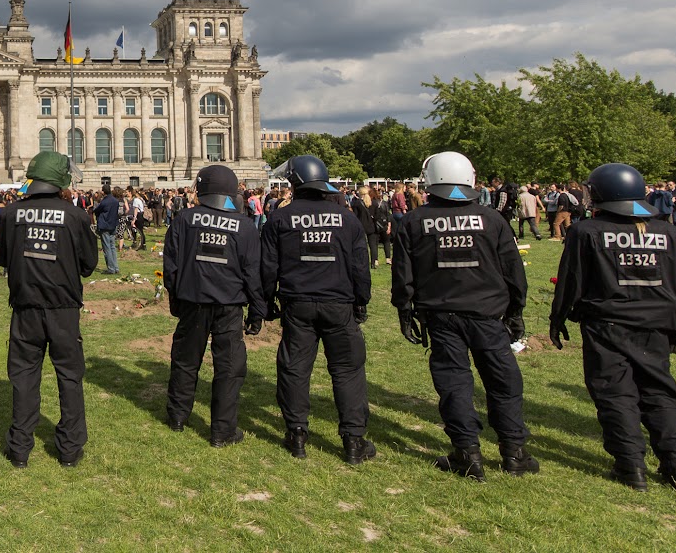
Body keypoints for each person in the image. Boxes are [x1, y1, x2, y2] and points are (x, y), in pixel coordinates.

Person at [550, 163, 676, 494]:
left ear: (601, 193)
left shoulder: (587, 231)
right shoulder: (669, 232)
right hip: (657, 324)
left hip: (607, 324)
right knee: (660, 395)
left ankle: (631, 467)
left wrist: (557, 319)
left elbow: (571, 280)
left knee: (616, 394)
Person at [392, 151, 537, 482]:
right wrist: (515, 312)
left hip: (441, 315)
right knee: (503, 382)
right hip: (488, 315)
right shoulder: (492, 219)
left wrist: (405, 309)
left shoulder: (415, 222)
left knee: (455, 383)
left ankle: (468, 453)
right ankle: (513, 450)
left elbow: (404, 274)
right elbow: (514, 272)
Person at [260, 155, 374, 464]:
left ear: (293, 183)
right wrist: (361, 300)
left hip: (298, 304)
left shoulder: (280, 219)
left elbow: (268, 268)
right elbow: (360, 268)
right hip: (339, 304)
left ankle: (296, 433)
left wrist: (266, 303)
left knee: (295, 369)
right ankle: (353, 440)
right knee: (348, 371)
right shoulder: (346, 218)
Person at [0, 151, 99, 467]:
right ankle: (69, 450)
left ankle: (20, 449)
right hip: (63, 308)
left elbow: (3, 257)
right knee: (69, 377)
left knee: (24, 377)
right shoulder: (76, 216)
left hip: (25, 307)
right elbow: (88, 265)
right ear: (60, 181)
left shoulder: (9, 215)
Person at [163, 164, 264, 447]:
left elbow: (170, 265)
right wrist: (257, 310)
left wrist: (175, 299)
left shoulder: (183, 219)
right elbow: (252, 273)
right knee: (229, 367)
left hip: (193, 300)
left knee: (185, 360)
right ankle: (222, 430)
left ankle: (178, 417)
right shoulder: (244, 225)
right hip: (229, 305)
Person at [93, 189, 121, 275]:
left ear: (104, 192)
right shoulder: (115, 201)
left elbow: (96, 210)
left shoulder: (104, 201)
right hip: (113, 225)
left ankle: (111, 268)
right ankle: (116, 267)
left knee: (107, 247)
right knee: (112, 246)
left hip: (105, 226)